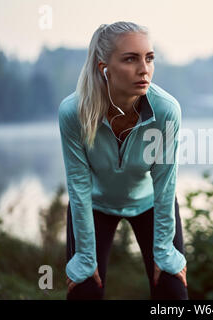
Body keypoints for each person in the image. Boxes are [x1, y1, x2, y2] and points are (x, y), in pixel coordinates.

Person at [58, 21, 188, 300]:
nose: (144, 69)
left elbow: (166, 185)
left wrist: (164, 253)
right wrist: (84, 258)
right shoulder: (73, 112)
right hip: (93, 204)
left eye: (149, 58)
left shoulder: (167, 111)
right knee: (84, 290)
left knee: (172, 289)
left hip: (152, 203)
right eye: (131, 59)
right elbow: (78, 186)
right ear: (104, 67)